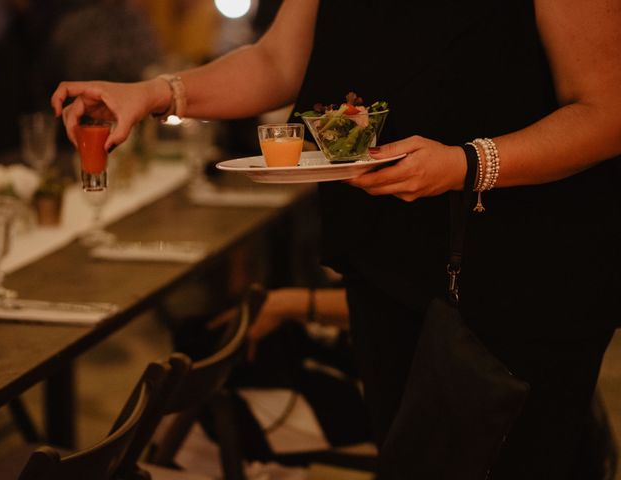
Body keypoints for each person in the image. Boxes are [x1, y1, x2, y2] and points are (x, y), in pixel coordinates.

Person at [50, 1, 621, 478]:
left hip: (524, 279)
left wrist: (468, 164)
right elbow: (276, 61)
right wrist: (153, 94)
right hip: (388, 267)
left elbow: (607, 110)